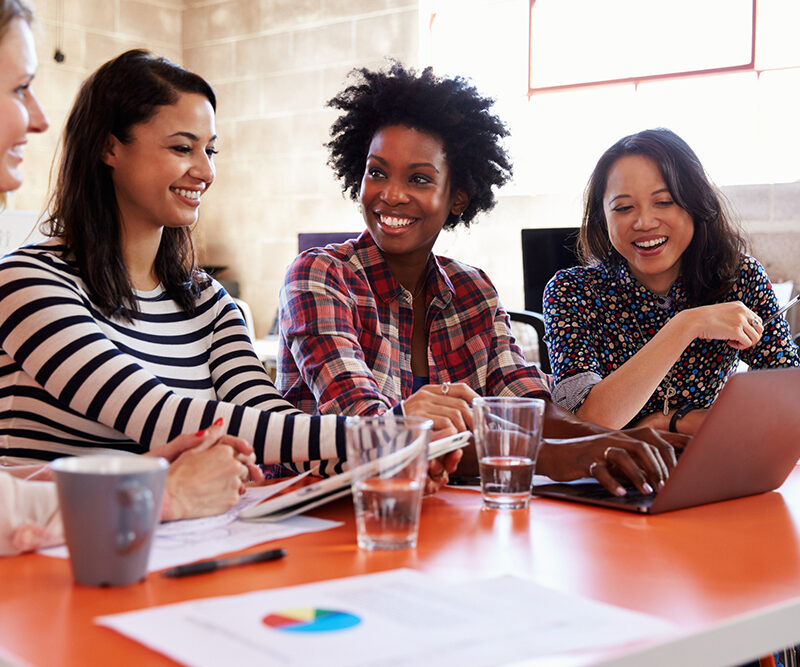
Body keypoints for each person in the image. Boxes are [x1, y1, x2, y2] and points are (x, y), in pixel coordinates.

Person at [277, 63, 681, 496]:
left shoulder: (473, 290)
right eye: (377, 172)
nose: (391, 194)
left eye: (419, 178)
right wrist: (558, 457)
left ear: (457, 197)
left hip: (444, 523)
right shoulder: (319, 275)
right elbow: (372, 431)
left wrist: (616, 442)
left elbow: (529, 407)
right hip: (324, 522)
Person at [0, 1, 267, 555]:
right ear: (108, 147)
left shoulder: (208, 302)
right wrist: (375, 437)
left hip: (172, 557)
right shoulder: (28, 283)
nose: (205, 170)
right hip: (53, 573)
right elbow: (165, 417)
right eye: (181, 147)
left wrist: (393, 450)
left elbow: (263, 424)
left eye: (209, 149)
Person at [543, 128, 800, 433]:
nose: (644, 222)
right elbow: (587, 423)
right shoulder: (571, 291)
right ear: (602, 217)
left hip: (714, 464)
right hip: (609, 473)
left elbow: (788, 406)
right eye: (624, 208)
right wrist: (685, 326)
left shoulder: (739, 278)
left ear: (695, 204)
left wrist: (672, 421)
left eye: (664, 202)